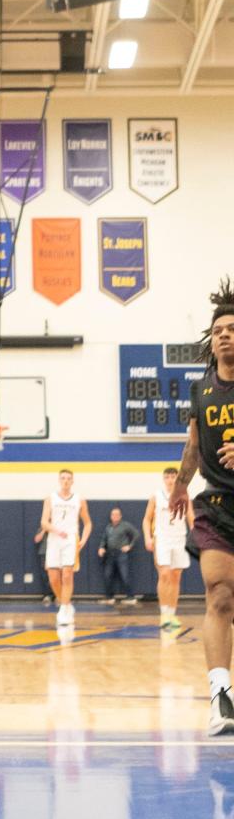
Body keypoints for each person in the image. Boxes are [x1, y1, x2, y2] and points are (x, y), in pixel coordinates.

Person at [168, 279, 234, 735]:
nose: (226, 335)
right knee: (220, 595)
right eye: (219, 331)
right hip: (217, 503)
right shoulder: (201, 390)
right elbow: (194, 444)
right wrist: (180, 483)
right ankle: (220, 698)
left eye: (233, 328)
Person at [36, 469, 92, 628]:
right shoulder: (50, 499)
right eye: (63, 478)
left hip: (71, 540)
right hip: (54, 540)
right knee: (53, 578)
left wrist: (83, 540)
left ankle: (62, 610)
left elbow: (88, 523)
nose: (66, 481)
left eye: (69, 478)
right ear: (59, 480)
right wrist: (55, 530)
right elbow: (43, 523)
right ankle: (66, 604)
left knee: (67, 575)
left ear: (72, 481)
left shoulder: (80, 500)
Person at [144, 467, 194, 630]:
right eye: (167, 477)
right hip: (162, 539)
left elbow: (191, 519)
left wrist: (196, 537)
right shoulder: (156, 497)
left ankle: (172, 614)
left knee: (175, 578)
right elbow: (146, 520)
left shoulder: (185, 496)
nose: (170, 479)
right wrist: (148, 537)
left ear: (177, 478)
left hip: (179, 539)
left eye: (173, 476)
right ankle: (164, 613)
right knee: (164, 574)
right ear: (163, 479)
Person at [97, 507, 139, 605]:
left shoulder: (125, 525)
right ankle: (109, 597)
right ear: (111, 516)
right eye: (113, 514)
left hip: (121, 555)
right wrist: (101, 547)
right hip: (110, 555)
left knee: (125, 576)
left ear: (120, 516)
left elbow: (136, 534)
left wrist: (130, 546)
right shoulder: (108, 527)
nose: (115, 516)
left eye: (117, 514)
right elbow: (104, 539)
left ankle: (131, 598)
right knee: (107, 576)